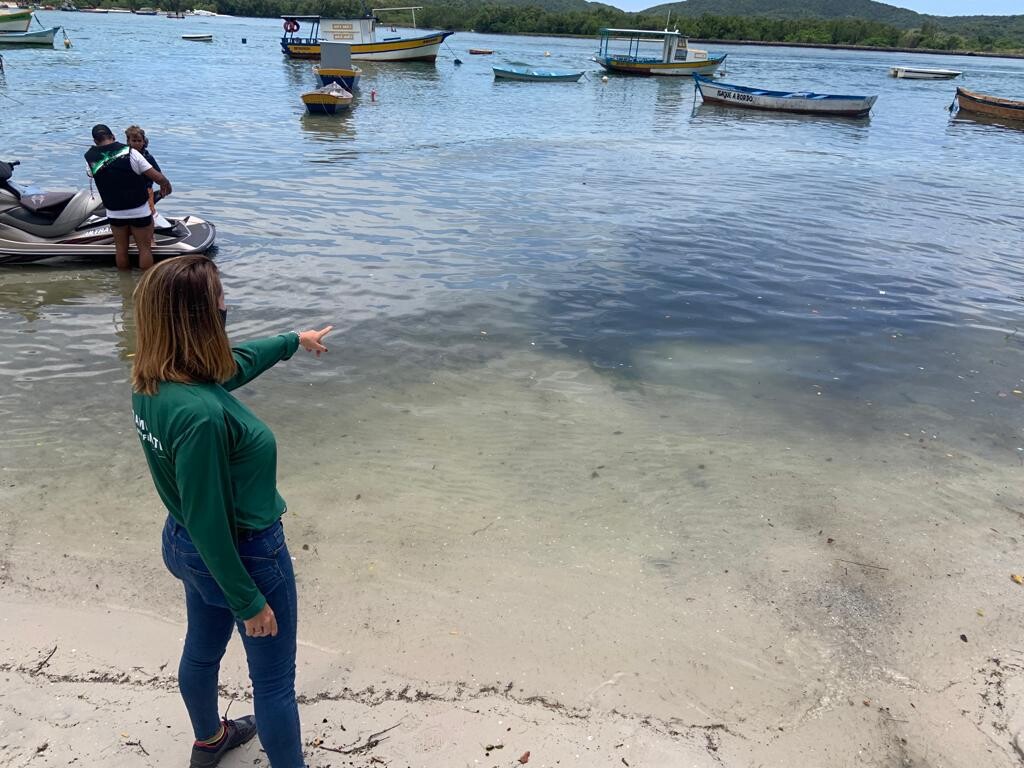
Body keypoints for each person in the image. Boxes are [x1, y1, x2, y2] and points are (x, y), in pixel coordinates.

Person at [131, 255, 332, 768]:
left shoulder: (155, 382)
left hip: (183, 546)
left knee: (202, 649)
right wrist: (247, 600)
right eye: (220, 298)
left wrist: (292, 341)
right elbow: (209, 520)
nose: (227, 304)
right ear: (199, 317)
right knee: (273, 682)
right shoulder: (200, 417)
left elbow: (230, 365)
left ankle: (210, 739)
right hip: (241, 552)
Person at [85, 123, 172, 271]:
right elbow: (156, 177)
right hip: (138, 209)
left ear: (95, 141)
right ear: (113, 136)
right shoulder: (131, 152)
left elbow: (91, 174)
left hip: (114, 211)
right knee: (144, 249)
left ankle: (124, 288)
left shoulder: (89, 157)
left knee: (121, 249)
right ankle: (144, 283)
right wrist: (166, 185)